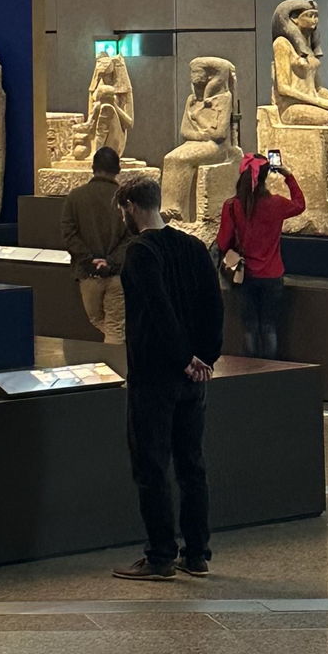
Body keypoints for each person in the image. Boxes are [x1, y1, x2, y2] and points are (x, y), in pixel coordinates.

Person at [112, 175, 226, 582]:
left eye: (122, 210)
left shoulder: (139, 252)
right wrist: (205, 357)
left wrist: (182, 359)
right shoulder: (194, 247)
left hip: (155, 375)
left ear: (130, 207)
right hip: (195, 377)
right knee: (192, 464)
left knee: (152, 465)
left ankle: (160, 554)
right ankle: (196, 553)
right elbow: (214, 305)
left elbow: (157, 309)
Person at [214, 153, 306, 358]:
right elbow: (300, 204)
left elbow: (223, 241)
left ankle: (251, 371)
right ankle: (270, 371)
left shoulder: (232, 206)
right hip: (272, 274)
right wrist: (288, 176)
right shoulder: (277, 204)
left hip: (244, 275)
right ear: (265, 176)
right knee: (269, 327)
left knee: (249, 327)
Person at [60, 146, 128, 341]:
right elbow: (131, 236)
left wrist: (89, 260)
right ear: (118, 169)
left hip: (87, 274)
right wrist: (111, 262)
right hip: (117, 274)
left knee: (99, 320)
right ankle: (120, 354)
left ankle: (117, 354)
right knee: (115, 326)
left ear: (92, 167)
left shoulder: (75, 197)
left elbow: (69, 234)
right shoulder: (125, 199)